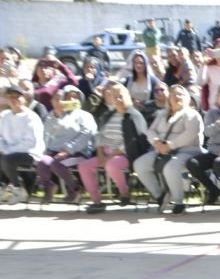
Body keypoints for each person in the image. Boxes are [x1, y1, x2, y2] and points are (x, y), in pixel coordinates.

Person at [133, 84, 204, 215]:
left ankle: (179, 202)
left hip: (188, 151)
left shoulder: (192, 114)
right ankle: (160, 196)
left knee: (170, 168)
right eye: (173, 94)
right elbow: (151, 131)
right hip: (162, 150)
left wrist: (169, 145)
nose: (177, 97)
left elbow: (189, 134)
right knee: (139, 164)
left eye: (180, 94)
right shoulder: (162, 114)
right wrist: (156, 142)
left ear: (187, 98)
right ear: (169, 98)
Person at [77, 83, 148, 212]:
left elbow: (134, 140)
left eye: (120, 96)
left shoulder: (135, 116)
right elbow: (100, 135)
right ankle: (96, 201)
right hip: (105, 153)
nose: (118, 99)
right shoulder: (109, 115)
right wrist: (100, 152)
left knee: (112, 165)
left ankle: (124, 193)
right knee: (84, 166)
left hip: (125, 155)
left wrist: (111, 155)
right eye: (115, 97)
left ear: (128, 96)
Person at [36, 85, 97, 202]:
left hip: (78, 152)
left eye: (75, 97)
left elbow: (87, 134)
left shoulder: (85, 115)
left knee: (56, 163)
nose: (72, 100)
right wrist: (56, 116)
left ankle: (75, 188)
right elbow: (48, 134)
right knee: (42, 162)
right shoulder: (53, 115)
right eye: (68, 97)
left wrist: (68, 150)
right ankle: (49, 187)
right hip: (55, 151)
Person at [0, 84, 45, 204]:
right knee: (4, 157)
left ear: (24, 99)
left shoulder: (31, 117)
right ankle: (2, 187)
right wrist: (4, 149)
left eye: (17, 97)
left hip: (30, 153)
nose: (14, 100)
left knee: (7, 159)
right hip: (8, 152)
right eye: (10, 97)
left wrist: (7, 151)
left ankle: (17, 188)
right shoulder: (4, 116)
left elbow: (30, 142)